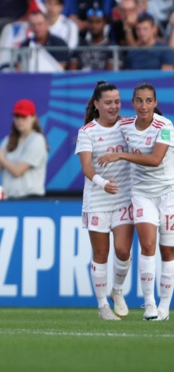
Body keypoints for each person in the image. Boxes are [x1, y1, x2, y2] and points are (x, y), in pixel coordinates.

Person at [98, 82, 174, 321]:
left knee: (168, 250)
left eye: (148, 101)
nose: (144, 106)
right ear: (133, 103)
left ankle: (164, 306)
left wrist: (121, 154)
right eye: (139, 101)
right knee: (148, 245)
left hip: (168, 193)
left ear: (155, 103)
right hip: (141, 194)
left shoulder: (165, 127)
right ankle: (149, 304)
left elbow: (155, 160)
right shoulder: (126, 125)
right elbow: (104, 123)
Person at [74, 81, 133, 321]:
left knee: (122, 250)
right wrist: (102, 183)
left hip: (124, 199)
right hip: (97, 200)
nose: (113, 106)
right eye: (108, 102)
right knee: (101, 254)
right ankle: (102, 307)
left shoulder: (129, 126)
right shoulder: (87, 131)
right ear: (97, 104)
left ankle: (117, 291)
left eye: (117, 102)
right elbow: (86, 167)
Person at [0, 99, 48, 199]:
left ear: (33, 117)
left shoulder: (37, 139)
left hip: (31, 199)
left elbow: (18, 171)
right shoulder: (8, 140)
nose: (20, 120)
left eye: (24, 116)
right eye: (17, 116)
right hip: (10, 199)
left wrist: (1, 158)